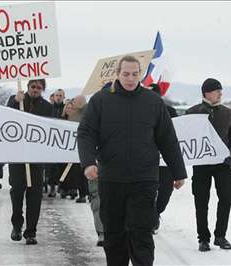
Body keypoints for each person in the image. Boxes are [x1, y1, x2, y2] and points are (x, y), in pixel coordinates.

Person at [78, 55, 187, 266]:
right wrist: (88, 162)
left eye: (135, 74)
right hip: (112, 179)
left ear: (141, 74)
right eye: (126, 74)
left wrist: (178, 171)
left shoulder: (153, 101)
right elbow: (86, 133)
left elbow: (167, 138)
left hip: (144, 178)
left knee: (142, 232)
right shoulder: (101, 100)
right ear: (117, 74)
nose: (130, 78)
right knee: (115, 234)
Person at [185, 78, 231, 252]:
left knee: (227, 198)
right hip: (201, 165)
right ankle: (203, 239)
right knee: (201, 202)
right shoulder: (192, 112)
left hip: (223, 165)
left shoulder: (228, 113)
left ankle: (220, 236)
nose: (220, 93)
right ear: (206, 92)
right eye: (217, 90)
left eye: (220, 90)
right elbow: (185, 137)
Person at [8, 79, 52, 245]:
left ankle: (31, 231)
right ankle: (17, 225)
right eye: (33, 87)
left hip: (36, 156)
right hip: (17, 155)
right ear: (27, 87)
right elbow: (5, 118)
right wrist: (15, 102)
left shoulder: (47, 107)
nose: (35, 89)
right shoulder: (16, 100)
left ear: (42, 90)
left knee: (35, 195)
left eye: (39, 87)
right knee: (17, 192)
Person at [148, 83, 179, 233]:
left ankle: (156, 213)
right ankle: (151, 220)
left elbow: (177, 134)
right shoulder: (141, 111)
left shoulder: (170, 111)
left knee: (165, 191)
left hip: (165, 160)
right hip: (148, 160)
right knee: (149, 191)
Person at [45, 89, 65, 197]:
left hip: (62, 140)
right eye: (57, 95)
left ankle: (61, 186)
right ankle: (51, 187)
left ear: (63, 97)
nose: (58, 97)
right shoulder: (49, 108)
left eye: (60, 95)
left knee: (61, 165)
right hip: (51, 139)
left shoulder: (66, 109)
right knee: (51, 166)